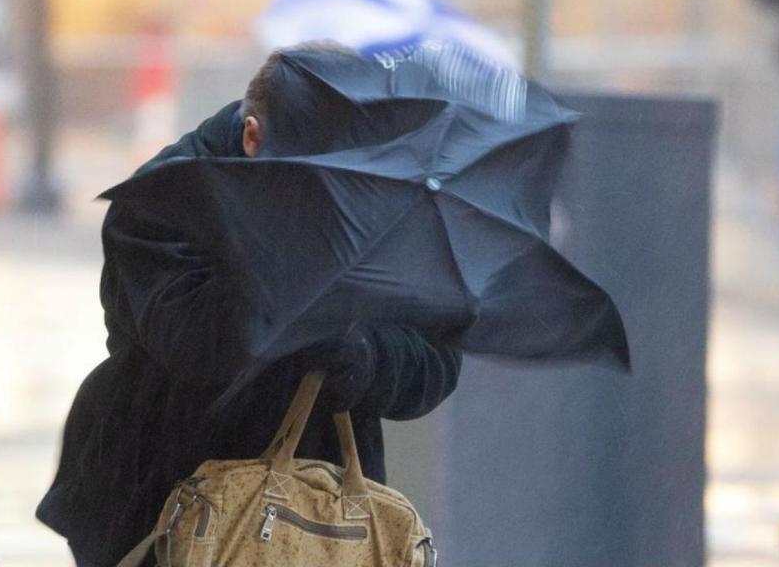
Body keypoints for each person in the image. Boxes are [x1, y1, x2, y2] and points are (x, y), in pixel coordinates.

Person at [36, 42, 464, 567]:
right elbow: (198, 343)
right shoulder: (163, 201)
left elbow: (436, 363)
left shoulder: (383, 210)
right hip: (160, 491)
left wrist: (364, 354)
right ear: (252, 137)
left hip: (322, 512)